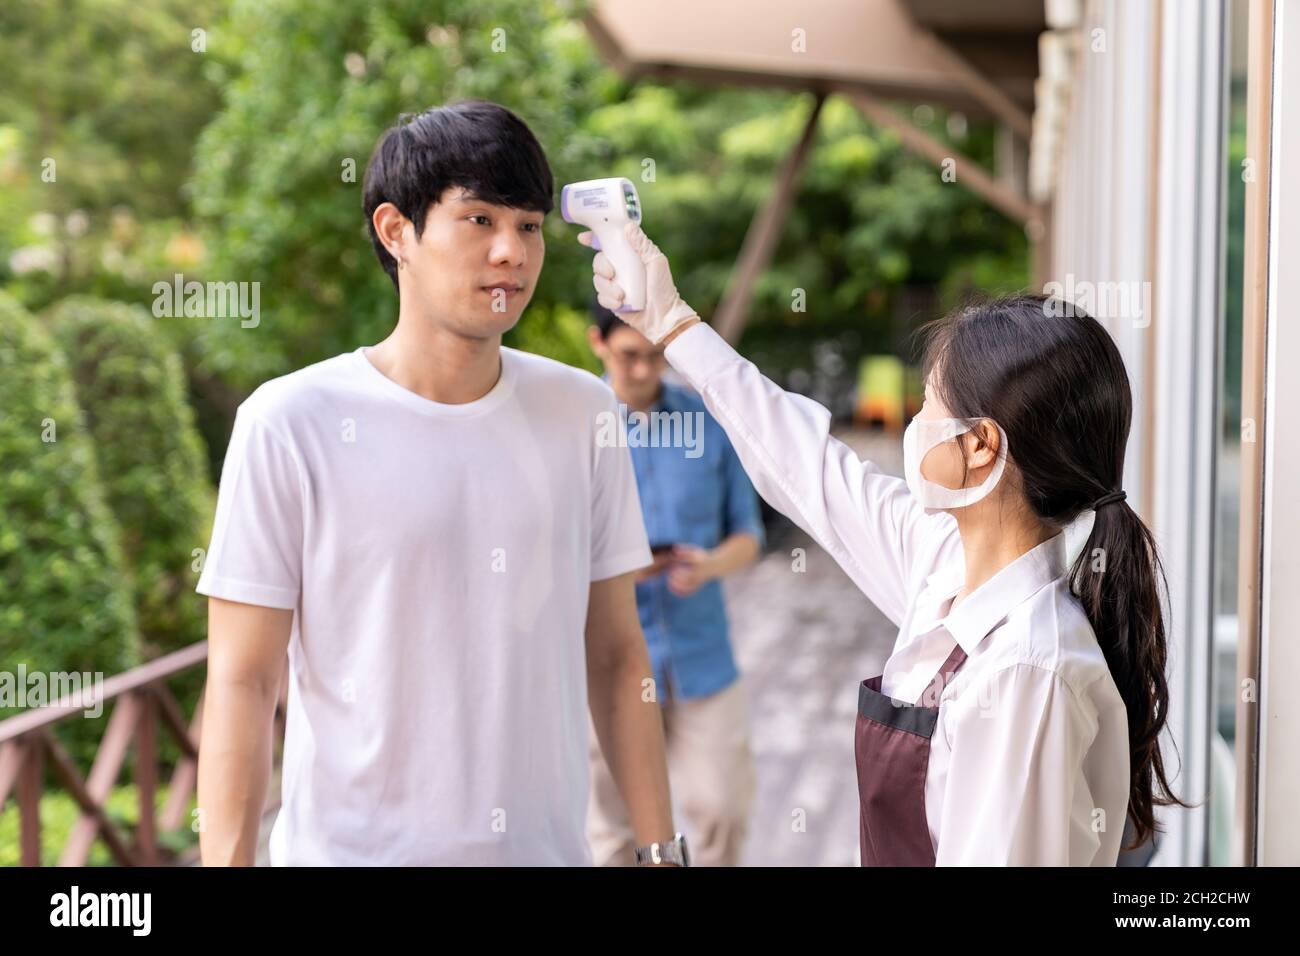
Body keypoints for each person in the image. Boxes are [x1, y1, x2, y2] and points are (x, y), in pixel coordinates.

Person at [578, 221, 1190, 865]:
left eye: (928, 404)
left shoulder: (1026, 674)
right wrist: (673, 322)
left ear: (981, 445)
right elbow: (803, 462)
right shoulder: (946, 567)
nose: (913, 422)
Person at [194, 101, 684, 866]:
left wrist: (662, 855)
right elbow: (243, 681)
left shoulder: (581, 410)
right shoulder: (289, 423)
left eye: (528, 226)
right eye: (479, 219)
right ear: (397, 232)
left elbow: (619, 657)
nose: (511, 254)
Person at [584, 304, 765, 866]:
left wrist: (708, 565)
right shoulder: (573, 427)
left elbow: (749, 535)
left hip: (702, 653)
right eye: (628, 356)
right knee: (614, 827)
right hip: (610, 656)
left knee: (723, 809)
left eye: (655, 356)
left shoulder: (708, 423)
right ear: (598, 343)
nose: (643, 370)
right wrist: (615, 568)